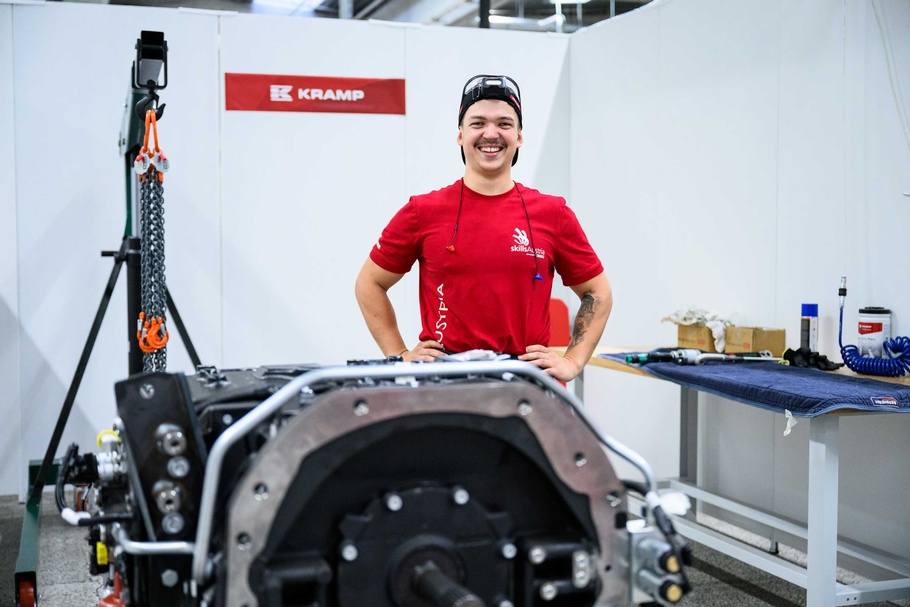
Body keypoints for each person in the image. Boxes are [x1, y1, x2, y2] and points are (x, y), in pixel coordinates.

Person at [354, 74, 611, 382]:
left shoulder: (553, 213)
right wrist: (400, 355)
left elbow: (598, 291)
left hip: (527, 383)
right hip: (445, 382)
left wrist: (573, 360)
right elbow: (369, 283)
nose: (491, 133)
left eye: (504, 124)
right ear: (460, 135)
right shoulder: (422, 211)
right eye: (478, 123)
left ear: (519, 136)